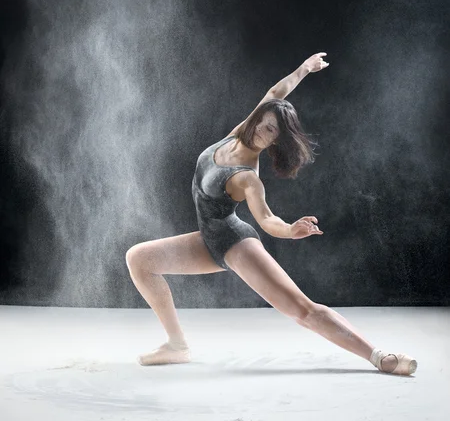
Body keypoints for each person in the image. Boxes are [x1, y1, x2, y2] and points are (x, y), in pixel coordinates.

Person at [125, 52, 417, 375]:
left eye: (271, 133)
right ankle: (177, 345)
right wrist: (304, 69)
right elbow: (276, 94)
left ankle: (380, 357)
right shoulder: (239, 132)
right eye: (263, 124)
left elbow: (265, 219)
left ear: (275, 142)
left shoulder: (248, 177)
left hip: (234, 244)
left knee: (303, 311)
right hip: (207, 241)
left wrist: (290, 229)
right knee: (139, 259)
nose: (262, 132)